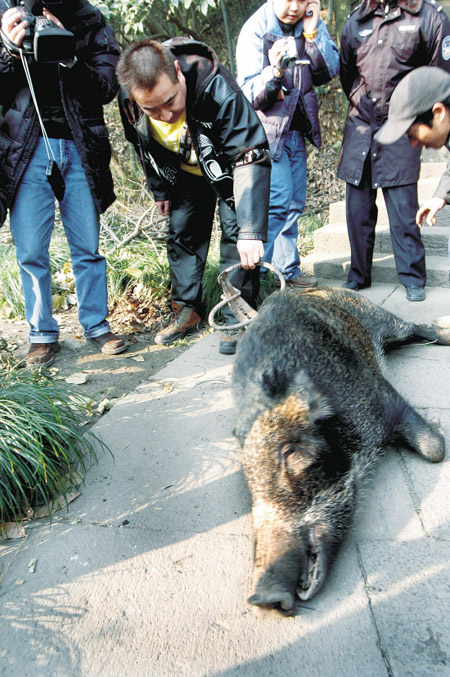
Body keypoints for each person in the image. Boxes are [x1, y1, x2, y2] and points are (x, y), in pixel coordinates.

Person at [117, 38, 270, 354]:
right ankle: (187, 310)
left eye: (170, 101)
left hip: (229, 167)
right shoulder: (130, 100)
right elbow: (140, 144)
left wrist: (251, 230)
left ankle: (235, 317)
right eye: (152, 108)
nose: (165, 115)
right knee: (183, 232)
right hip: (184, 171)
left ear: (177, 71)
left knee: (236, 236)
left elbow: (250, 154)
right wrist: (159, 187)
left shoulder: (217, 87)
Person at [0, 0, 127, 366]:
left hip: (80, 143)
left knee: (87, 245)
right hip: (24, 147)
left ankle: (96, 324)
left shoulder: (89, 18)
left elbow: (106, 86)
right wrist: (9, 49)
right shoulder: (6, 12)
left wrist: (68, 54)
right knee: (30, 250)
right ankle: (41, 333)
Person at [338, 0, 450, 302]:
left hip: (406, 120)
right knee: (357, 209)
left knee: (404, 209)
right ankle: (358, 275)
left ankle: (413, 277)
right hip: (362, 123)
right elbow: (346, 72)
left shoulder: (428, 16)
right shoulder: (357, 19)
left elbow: (439, 75)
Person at [236, 0, 339, 289]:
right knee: (277, 203)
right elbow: (247, 92)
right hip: (266, 133)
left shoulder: (309, 24)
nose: (295, 7)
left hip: (296, 127)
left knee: (294, 203)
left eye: (302, 0)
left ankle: (287, 271)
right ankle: (258, 280)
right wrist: (275, 71)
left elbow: (329, 71)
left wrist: (312, 34)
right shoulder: (256, 30)